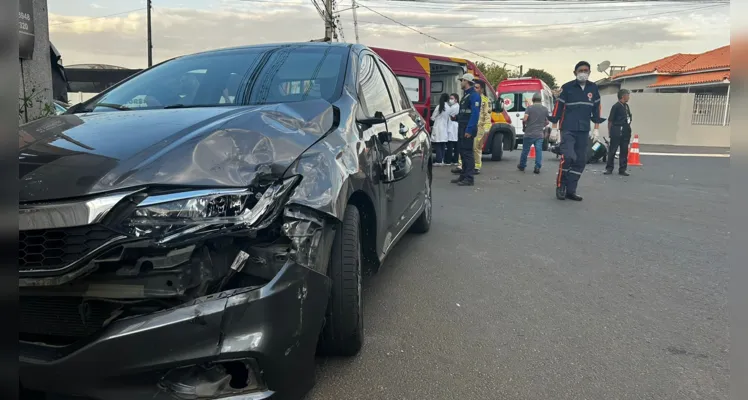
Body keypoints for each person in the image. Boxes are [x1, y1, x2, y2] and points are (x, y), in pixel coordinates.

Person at [548, 61, 606, 201]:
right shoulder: (567, 88)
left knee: (580, 160)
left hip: (584, 129)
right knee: (568, 157)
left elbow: (596, 109)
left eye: (586, 70)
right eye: (581, 70)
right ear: (575, 72)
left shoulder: (593, 88)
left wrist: (596, 129)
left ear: (590, 72)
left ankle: (571, 190)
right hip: (568, 128)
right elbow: (558, 108)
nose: (583, 73)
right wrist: (554, 129)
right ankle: (561, 186)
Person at [454, 79, 492, 175]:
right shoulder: (468, 96)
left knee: (476, 147)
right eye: (474, 87)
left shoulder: (485, 101)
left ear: (482, 89)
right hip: (469, 125)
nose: (475, 88)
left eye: (477, 87)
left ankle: (477, 166)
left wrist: (486, 129)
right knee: (463, 148)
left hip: (479, 127)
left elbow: (487, 116)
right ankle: (461, 165)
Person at [451, 73, 481, 186]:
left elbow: (475, 114)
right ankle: (463, 175)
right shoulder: (466, 95)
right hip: (462, 126)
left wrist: (469, 129)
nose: (461, 82)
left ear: (467, 81)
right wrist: (456, 118)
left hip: (467, 127)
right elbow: (465, 112)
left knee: (468, 153)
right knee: (462, 152)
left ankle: (469, 178)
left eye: (462, 80)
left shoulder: (474, 95)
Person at [517, 92, 548, 174]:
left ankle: (522, 165)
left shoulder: (529, 108)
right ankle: (537, 167)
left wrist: (524, 126)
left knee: (525, 150)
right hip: (539, 134)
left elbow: (525, 119)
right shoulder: (545, 109)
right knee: (538, 150)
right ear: (540, 100)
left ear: (533, 99)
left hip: (529, 133)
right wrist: (542, 125)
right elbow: (547, 122)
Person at [605, 89, 633, 176]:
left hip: (625, 131)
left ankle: (622, 169)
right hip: (616, 130)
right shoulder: (616, 106)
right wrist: (610, 132)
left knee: (624, 151)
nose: (628, 97)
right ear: (623, 96)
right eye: (627, 95)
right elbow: (610, 120)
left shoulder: (626, 106)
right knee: (612, 150)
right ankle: (609, 168)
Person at [430, 93, 457, 166]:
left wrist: (432, 119)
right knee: (443, 144)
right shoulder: (448, 107)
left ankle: (439, 161)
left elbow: (433, 117)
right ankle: (441, 159)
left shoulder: (439, 106)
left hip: (438, 126)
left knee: (438, 143)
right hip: (445, 127)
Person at [446, 93, 460, 165]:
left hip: (453, 126)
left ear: (456, 100)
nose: (450, 100)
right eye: (450, 98)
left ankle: (449, 160)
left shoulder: (454, 107)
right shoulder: (454, 106)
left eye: (452, 99)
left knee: (451, 144)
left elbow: (448, 113)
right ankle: (455, 160)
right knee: (455, 144)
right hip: (454, 126)